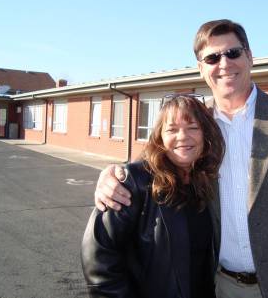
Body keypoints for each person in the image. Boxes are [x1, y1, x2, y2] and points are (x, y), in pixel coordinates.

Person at [93, 19, 268, 298]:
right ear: (201, 68)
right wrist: (114, 174)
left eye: (233, 53)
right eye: (212, 57)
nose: (224, 64)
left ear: (249, 57)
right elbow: (157, 159)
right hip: (218, 285)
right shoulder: (196, 124)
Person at [81, 94, 225, 298]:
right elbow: (99, 253)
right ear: (160, 138)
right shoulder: (135, 180)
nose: (183, 136)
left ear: (205, 135)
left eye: (193, 128)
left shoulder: (205, 181)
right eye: (172, 129)